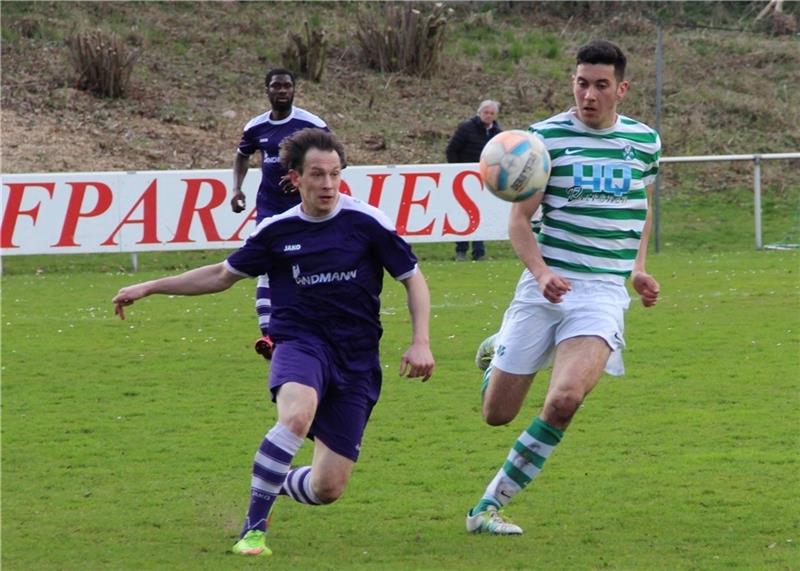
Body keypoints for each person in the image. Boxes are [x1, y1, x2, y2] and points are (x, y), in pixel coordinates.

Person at [113, 129, 435, 556]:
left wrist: (421, 341)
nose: (328, 184)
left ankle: (272, 478)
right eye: (317, 175)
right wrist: (152, 286)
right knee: (297, 417)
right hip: (300, 343)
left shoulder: (366, 222)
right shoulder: (277, 231)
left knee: (327, 488)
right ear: (295, 178)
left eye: (335, 174)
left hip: (356, 357)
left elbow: (413, 279)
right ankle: (253, 531)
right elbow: (222, 275)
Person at [465, 40, 661, 535]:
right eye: (580, 83)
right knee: (497, 414)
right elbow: (518, 221)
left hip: (600, 293)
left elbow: (641, 209)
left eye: (600, 85)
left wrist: (637, 270)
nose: (588, 94)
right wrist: (541, 274)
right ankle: (496, 351)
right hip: (545, 286)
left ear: (621, 88)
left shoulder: (644, 143)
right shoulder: (540, 140)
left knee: (565, 398)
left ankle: (486, 507)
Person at [230, 68, 330, 361]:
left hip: (306, 209)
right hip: (270, 209)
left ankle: (315, 326)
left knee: (309, 267)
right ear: (267, 90)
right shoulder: (256, 127)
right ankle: (269, 336)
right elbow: (241, 155)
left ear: (294, 90)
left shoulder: (310, 124)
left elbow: (339, 159)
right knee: (267, 266)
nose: (282, 90)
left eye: (287, 85)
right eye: (277, 86)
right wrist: (236, 188)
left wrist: (304, 176)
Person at [445, 99, 502, 261]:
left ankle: (479, 252)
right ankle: (461, 250)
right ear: (480, 112)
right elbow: (451, 150)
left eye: (492, 113)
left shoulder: (497, 132)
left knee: (481, 214)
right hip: (464, 178)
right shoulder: (466, 128)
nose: (488, 116)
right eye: (486, 112)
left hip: (484, 179)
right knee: (463, 214)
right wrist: (457, 170)